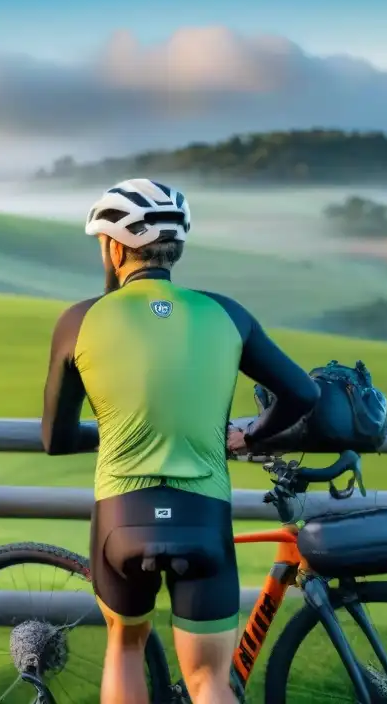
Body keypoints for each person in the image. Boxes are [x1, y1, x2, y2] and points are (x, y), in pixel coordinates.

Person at [40, 178, 320, 704]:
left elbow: (53, 439)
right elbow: (301, 392)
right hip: (203, 512)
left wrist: (118, 433)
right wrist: (247, 435)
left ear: (114, 246)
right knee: (209, 681)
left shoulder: (79, 320)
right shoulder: (226, 314)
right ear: (177, 247)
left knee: (125, 647)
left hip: (123, 513)